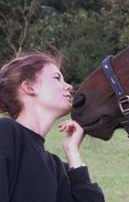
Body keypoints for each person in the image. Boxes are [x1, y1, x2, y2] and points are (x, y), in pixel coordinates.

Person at [0, 52, 105, 202]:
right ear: (29, 87)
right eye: (57, 78)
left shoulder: (56, 168)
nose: (68, 86)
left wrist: (72, 152)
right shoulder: (5, 133)